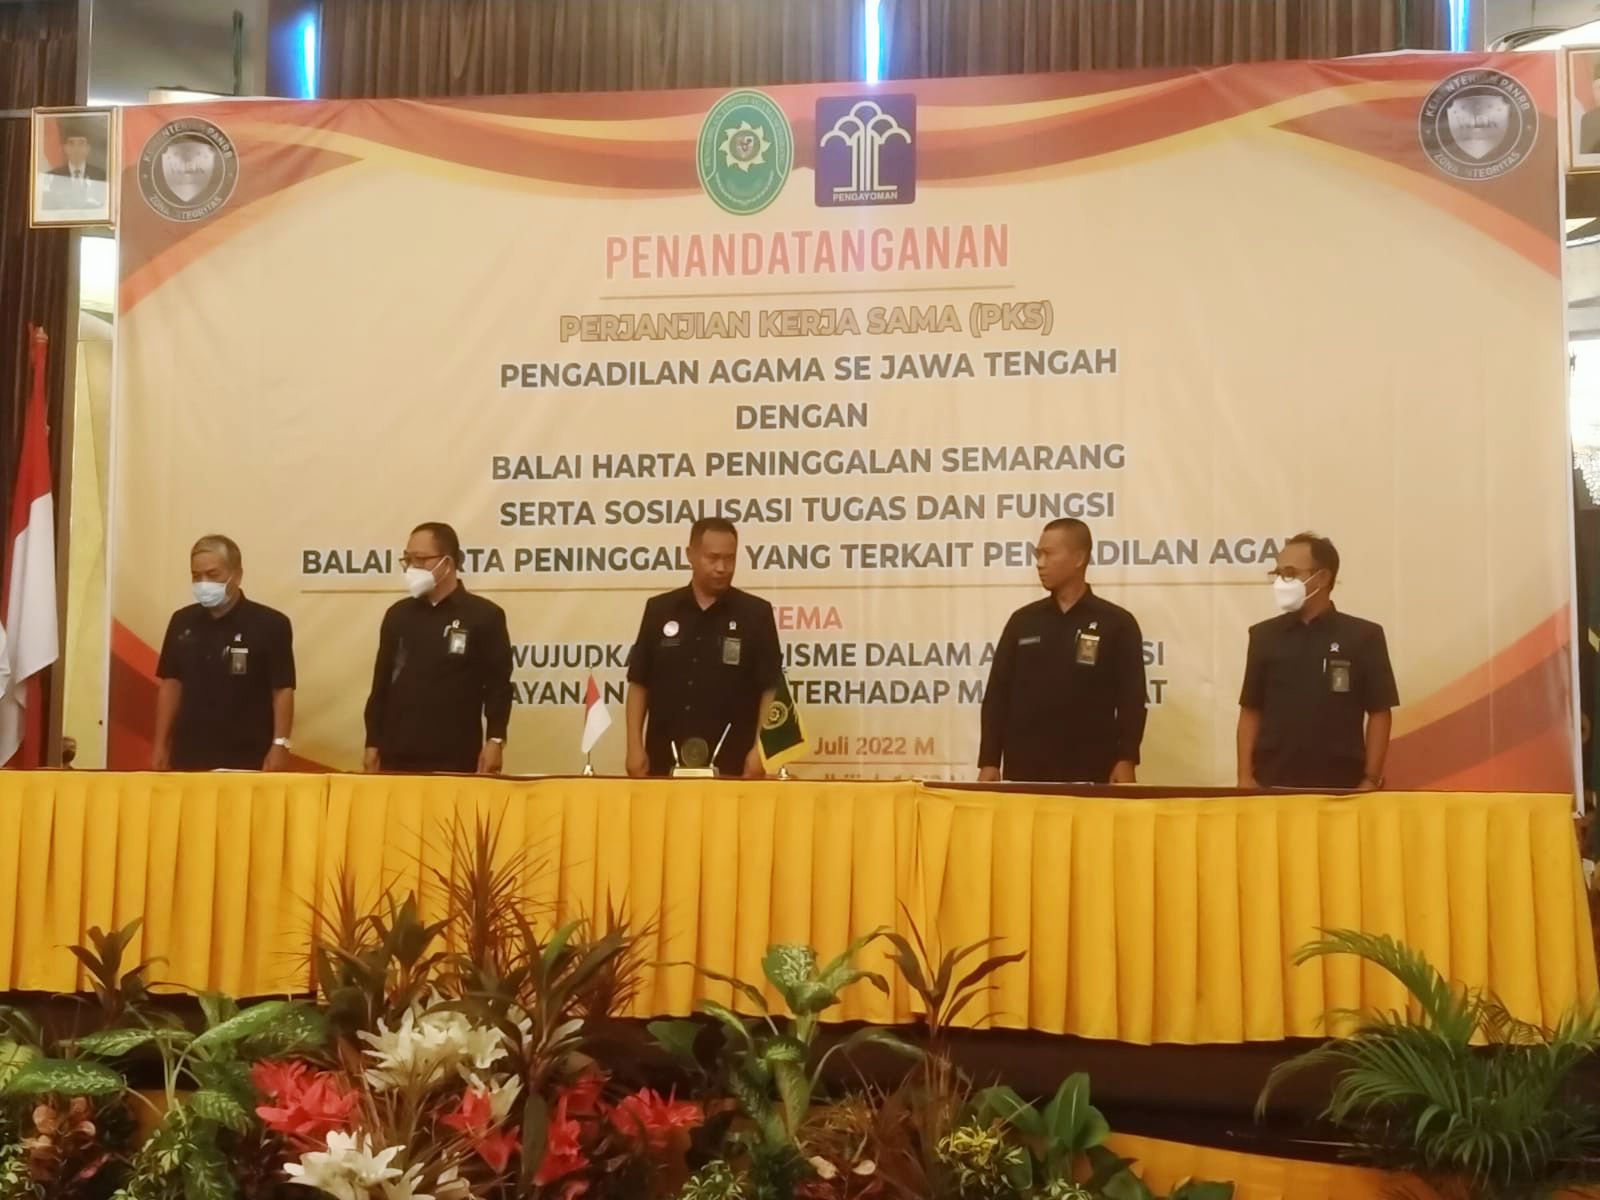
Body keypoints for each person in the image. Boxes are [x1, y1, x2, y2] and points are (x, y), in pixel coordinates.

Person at [978, 518, 1147, 784]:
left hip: (1092, 770)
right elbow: (997, 695)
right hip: (1026, 770)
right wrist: (989, 760)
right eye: (1038, 555)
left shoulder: (1117, 623)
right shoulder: (1023, 621)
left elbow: (1132, 700)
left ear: (1079, 558)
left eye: (1048, 554)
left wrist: (1126, 758)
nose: (1039, 563)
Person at [1237, 531, 1398, 791]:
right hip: (1272, 781)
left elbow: (1380, 712)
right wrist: (1245, 777)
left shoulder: (1364, 636)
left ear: (1322, 577)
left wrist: (1370, 779)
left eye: (1290, 573)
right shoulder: (1263, 635)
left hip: (1342, 784)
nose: (1281, 582)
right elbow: (1250, 709)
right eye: (1278, 573)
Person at [625, 518, 782, 778]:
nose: (722, 568)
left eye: (730, 559)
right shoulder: (659, 610)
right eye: (713, 558)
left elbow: (771, 688)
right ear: (690, 555)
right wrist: (634, 747)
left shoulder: (756, 614)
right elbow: (639, 682)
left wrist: (761, 750)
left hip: (734, 763)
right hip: (663, 762)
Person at [363, 522, 513, 775]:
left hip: (456, 755)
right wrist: (372, 742)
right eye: (407, 559)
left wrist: (495, 740)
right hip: (397, 754)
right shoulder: (398, 615)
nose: (412, 567)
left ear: (447, 562)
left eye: (420, 559)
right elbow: (381, 684)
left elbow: (499, 686)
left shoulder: (484, 615)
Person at [152, 535, 295, 771]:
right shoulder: (181, 621)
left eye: (212, 574)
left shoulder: (271, 624)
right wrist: (160, 744)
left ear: (237, 575)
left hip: (249, 754)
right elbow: (171, 684)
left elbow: (282, 689)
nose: (203, 583)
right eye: (196, 576)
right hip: (189, 753)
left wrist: (280, 744)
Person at [40, 119, 108, 211]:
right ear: (65, 148)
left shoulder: (100, 175)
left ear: (88, 148)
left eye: (81, 143)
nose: (76, 149)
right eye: (71, 143)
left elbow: (103, 207)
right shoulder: (53, 176)